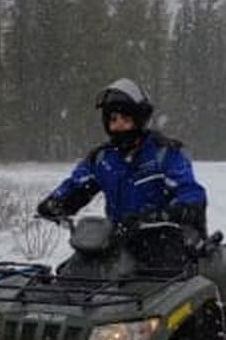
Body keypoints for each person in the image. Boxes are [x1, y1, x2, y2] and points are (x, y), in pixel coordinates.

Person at [37, 78, 208, 258]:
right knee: (72, 270)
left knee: (152, 271)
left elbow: (192, 195)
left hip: (164, 243)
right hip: (117, 243)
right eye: (113, 119)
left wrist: (158, 216)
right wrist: (56, 203)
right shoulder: (102, 158)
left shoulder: (164, 153)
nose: (118, 125)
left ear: (139, 120)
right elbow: (79, 184)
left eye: (125, 119)